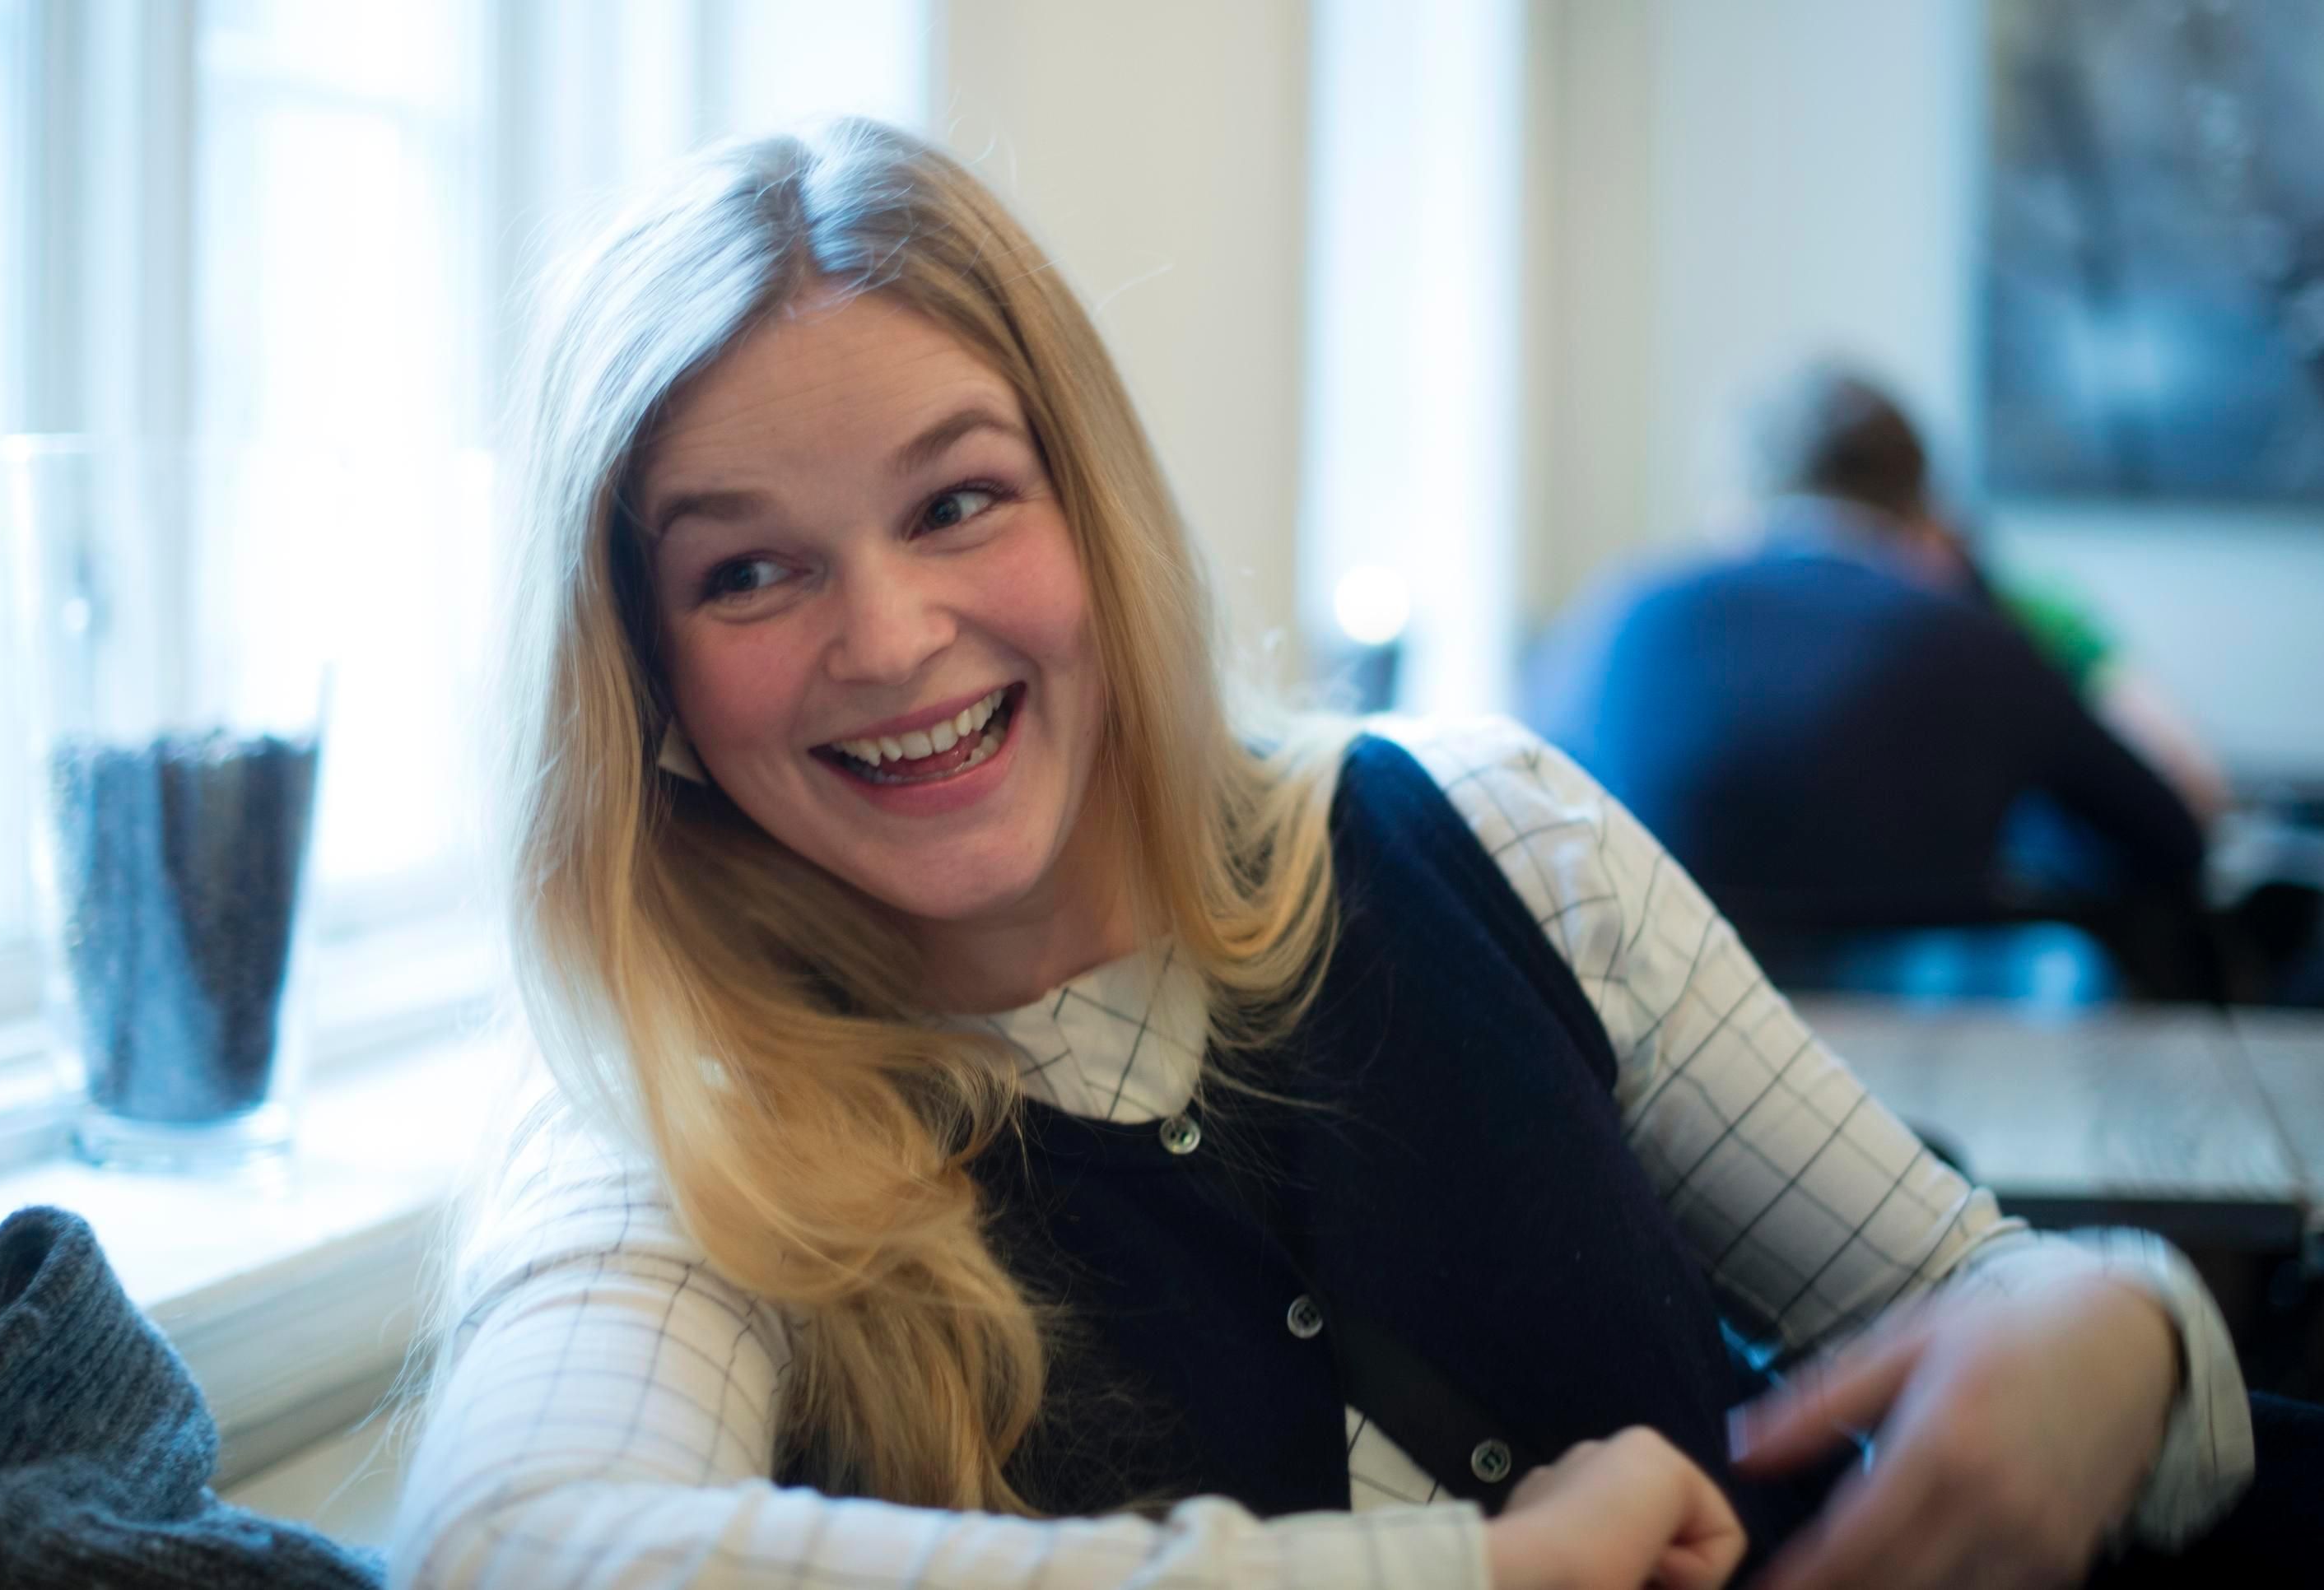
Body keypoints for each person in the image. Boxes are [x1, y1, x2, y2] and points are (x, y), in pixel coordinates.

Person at [389, 123, 2300, 1590]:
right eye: (746, 572)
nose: (886, 639)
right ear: (641, 675)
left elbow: (1977, 1298)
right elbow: (509, 1550)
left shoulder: (1496, 835)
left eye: (958, 501)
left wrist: (2123, 1331)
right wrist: (1459, 1574)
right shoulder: (666, 1116)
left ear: (1095, 512)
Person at [1523, 367, 2211, 965]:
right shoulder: (1979, 635)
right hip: (1942, 1033)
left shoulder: (1621, 611)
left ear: (1730, 507)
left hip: (1658, 1016)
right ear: (1921, 510)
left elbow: (1524, 825)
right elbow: (2170, 841)